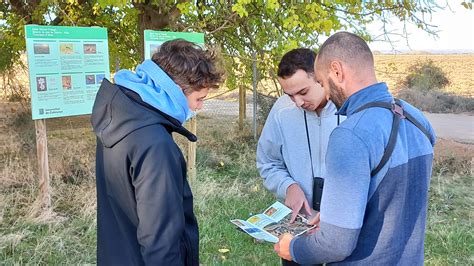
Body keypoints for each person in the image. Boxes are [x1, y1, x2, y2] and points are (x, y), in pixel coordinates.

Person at [274, 32, 436, 265]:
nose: (326, 94)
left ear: (337, 71)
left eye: (321, 82)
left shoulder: (350, 134)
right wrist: (336, 215)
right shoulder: (417, 118)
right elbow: (396, 194)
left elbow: (335, 244)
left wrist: (294, 248)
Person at [91, 39, 223, 265]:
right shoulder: (155, 145)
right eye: (199, 99)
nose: (200, 107)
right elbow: (160, 241)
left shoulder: (122, 118)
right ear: (177, 90)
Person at [257, 48, 341, 266]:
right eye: (289, 95)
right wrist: (288, 186)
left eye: (303, 92)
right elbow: (268, 162)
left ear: (321, 78)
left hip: (344, 231)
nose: (297, 102)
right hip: (299, 235)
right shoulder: (281, 110)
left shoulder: (352, 110)